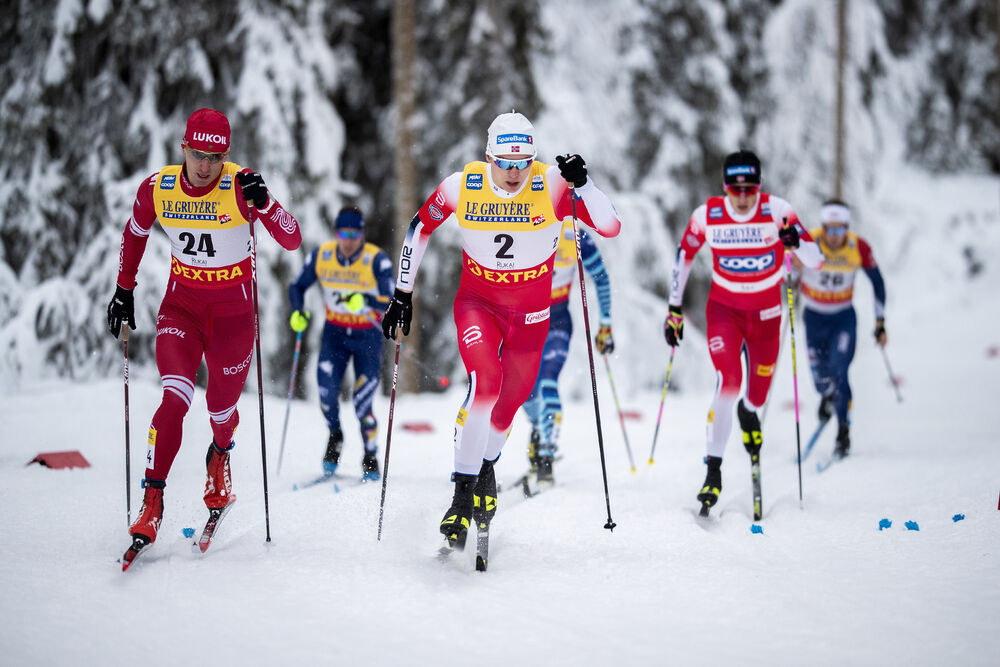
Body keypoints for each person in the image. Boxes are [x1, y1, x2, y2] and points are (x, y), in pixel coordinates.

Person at [381, 111, 622, 548]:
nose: (513, 173)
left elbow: (610, 226)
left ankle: (486, 466)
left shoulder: (550, 184)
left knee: (506, 410)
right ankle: (460, 496)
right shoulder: (462, 185)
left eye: (522, 163)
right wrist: (402, 293)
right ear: (488, 156)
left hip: (532, 318)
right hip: (479, 306)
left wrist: (583, 186)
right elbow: (419, 227)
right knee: (485, 386)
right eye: (505, 163)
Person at [106, 108, 301, 554]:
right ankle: (152, 503)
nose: (205, 165)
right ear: (184, 149)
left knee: (219, 410)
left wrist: (267, 203)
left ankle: (220, 457)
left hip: (232, 316)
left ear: (225, 155)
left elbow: (292, 238)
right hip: (182, 308)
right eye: (197, 154)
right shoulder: (158, 188)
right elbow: (134, 232)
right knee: (174, 398)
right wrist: (123, 289)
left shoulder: (240, 185)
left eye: (215, 156)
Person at [663, 149, 823, 514]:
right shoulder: (708, 215)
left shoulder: (777, 211)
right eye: (735, 189)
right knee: (728, 381)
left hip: (766, 315)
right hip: (725, 311)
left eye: (750, 188)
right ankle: (714, 472)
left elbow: (817, 261)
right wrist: (674, 307)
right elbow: (684, 255)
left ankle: (749, 412)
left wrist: (796, 243)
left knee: (757, 393)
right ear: (725, 187)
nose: (743, 196)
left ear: (759, 186)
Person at [287, 206, 394, 480]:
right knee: (326, 392)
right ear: (336, 234)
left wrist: (368, 301)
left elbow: (392, 299)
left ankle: (370, 454)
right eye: (343, 234)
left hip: (367, 336)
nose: (348, 241)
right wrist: (299, 311)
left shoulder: (375, 259)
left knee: (362, 401)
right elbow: (297, 286)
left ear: (362, 235)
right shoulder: (322, 256)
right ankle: (335, 435)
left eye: (354, 235)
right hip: (334, 333)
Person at [792, 198, 887, 459]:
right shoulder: (808, 241)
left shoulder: (858, 247)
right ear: (822, 226)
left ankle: (843, 431)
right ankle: (827, 395)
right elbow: (786, 272)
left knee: (840, 368)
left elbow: (877, 283)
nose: (833, 236)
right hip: (813, 318)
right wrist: (792, 267)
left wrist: (880, 322)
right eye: (828, 229)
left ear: (846, 227)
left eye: (839, 229)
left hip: (843, 318)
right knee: (821, 378)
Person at [522, 216, 613, 482]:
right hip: (526, 321)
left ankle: (546, 457)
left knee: (549, 380)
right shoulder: (526, 223)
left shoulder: (575, 234)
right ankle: (539, 431)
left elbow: (601, 278)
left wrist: (605, 324)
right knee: (525, 390)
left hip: (557, 321)